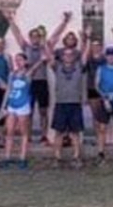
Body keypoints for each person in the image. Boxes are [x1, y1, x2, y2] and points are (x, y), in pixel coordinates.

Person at [7, 11, 70, 145]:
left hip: (42, 81)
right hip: (28, 84)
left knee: (43, 111)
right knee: (27, 112)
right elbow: (17, 34)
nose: (35, 38)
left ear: (40, 37)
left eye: (37, 36)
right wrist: (10, 21)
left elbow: (55, 36)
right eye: (33, 36)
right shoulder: (26, 47)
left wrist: (64, 22)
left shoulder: (44, 47)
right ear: (30, 38)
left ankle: (43, 136)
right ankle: (27, 136)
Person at [47, 35, 90, 166]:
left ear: (74, 56)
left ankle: (76, 157)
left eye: (71, 55)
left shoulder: (79, 67)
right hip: (61, 104)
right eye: (65, 54)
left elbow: (85, 55)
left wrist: (87, 38)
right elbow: (49, 55)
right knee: (58, 133)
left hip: (75, 103)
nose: (68, 56)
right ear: (62, 56)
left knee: (75, 133)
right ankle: (57, 158)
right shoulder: (57, 67)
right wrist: (44, 41)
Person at [1, 54, 36, 169]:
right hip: (12, 104)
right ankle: (7, 157)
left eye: (20, 60)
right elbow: (8, 90)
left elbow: (34, 68)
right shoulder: (12, 74)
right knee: (9, 131)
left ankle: (23, 158)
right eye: (17, 60)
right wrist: (3, 106)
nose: (18, 62)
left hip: (23, 105)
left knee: (23, 132)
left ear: (25, 61)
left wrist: (41, 60)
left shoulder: (27, 74)